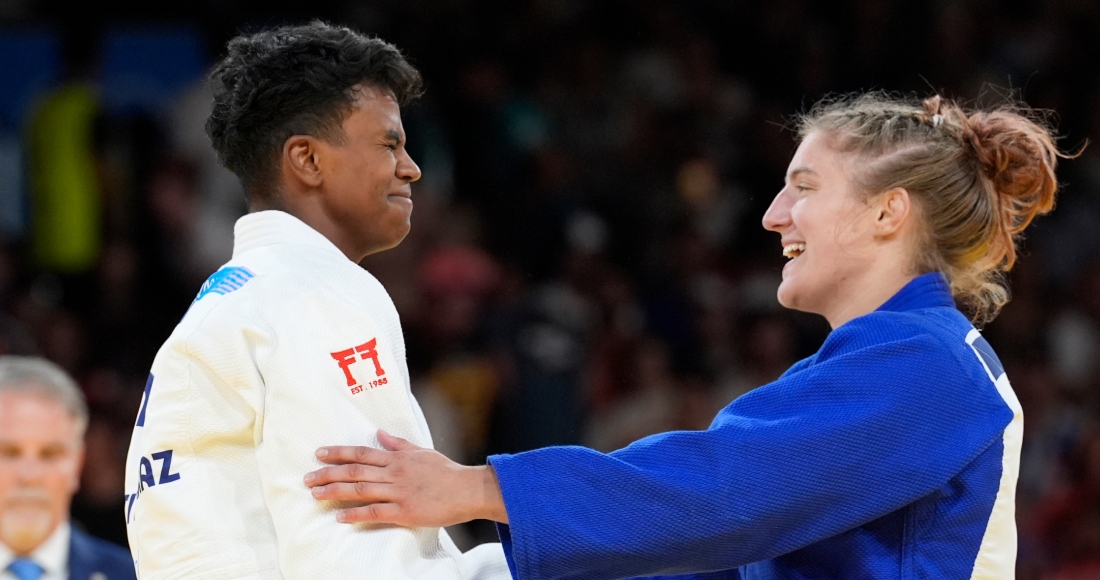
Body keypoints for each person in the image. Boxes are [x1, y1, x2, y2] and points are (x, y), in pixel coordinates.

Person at [304, 93, 1072, 579]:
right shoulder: (909, 358)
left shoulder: (924, 365)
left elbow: (727, 490)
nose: (773, 215)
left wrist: (477, 489)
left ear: (887, 212)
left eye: (803, 188)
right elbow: (728, 541)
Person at [123, 22, 508, 579]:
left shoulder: (230, 299)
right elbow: (363, 560)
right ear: (307, 159)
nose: (411, 167)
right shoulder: (318, 291)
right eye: (389, 144)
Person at [0, 356, 136, 580]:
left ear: (77, 463)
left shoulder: (135, 575)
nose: (30, 475)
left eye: (50, 454)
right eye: (9, 453)